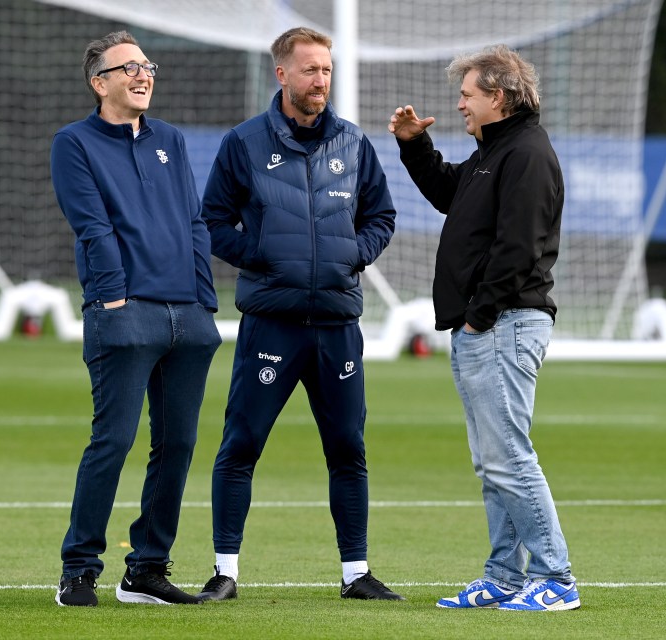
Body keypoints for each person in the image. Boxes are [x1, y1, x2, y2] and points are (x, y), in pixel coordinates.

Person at [195, 27, 402, 602]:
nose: (321, 80)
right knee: (241, 444)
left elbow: (381, 216)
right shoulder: (244, 143)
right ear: (282, 74)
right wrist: (259, 256)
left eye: (327, 70)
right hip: (272, 322)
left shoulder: (354, 144)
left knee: (347, 448)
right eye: (310, 70)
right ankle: (225, 573)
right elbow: (212, 221)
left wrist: (350, 257)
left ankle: (356, 574)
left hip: (337, 323)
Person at [389, 44, 580, 612]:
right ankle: (505, 575)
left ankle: (556, 578)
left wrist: (479, 315)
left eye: (468, 95)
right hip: (490, 325)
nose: (459, 104)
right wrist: (414, 146)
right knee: (492, 460)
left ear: (498, 96)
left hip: (503, 324)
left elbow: (519, 248)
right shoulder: (496, 150)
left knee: (509, 458)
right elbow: (452, 194)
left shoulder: (525, 153)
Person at [50, 30, 221, 607]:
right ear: (99, 82)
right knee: (114, 440)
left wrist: (204, 300)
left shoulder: (169, 138)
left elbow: (194, 223)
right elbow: (91, 225)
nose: (143, 75)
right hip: (124, 315)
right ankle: (79, 569)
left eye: (146, 65)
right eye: (128, 68)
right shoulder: (73, 143)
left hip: (187, 317)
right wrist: (115, 299)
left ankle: (147, 570)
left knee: (177, 446)